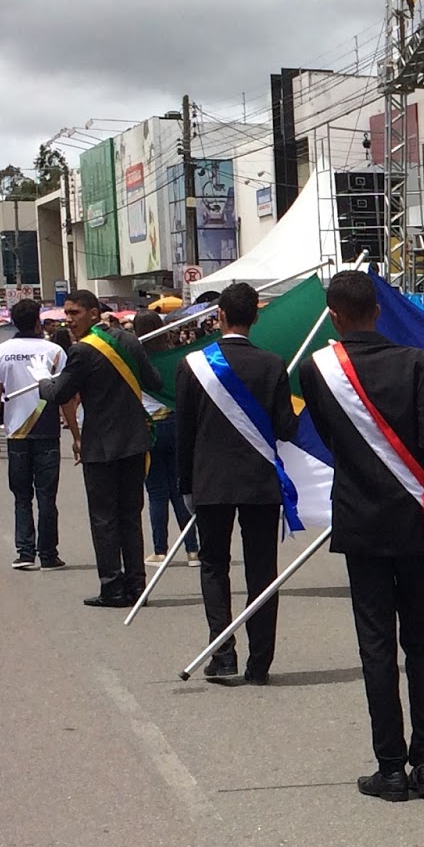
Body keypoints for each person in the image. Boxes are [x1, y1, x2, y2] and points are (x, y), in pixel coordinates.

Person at [297, 272, 424, 802]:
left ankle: (390, 766)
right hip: (415, 522)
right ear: (378, 311)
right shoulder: (419, 363)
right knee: (422, 642)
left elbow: (328, 437)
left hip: (361, 520)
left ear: (335, 315)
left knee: (376, 646)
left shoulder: (319, 371)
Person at [174, 282, 299, 685]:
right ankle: (260, 662)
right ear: (255, 318)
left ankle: (222, 652)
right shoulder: (273, 364)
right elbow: (285, 428)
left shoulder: (192, 365)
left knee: (214, 566)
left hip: (210, 481)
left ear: (220, 316)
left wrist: (185, 484)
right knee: (263, 570)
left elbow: (185, 433)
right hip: (260, 481)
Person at [38, 289, 162, 607]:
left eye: (74, 313)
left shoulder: (82, 352)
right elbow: (154, 381)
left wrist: (42, 382)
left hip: (102, 445)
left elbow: (58, 392)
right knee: (130, 516)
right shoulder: (130, 340)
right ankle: (137, 586)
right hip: (135, 439)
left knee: (105, 519)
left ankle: (113, 587)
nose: (68, 320)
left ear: (94, 313)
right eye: (66, 314)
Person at [0, 298, 80, 570]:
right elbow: (66, 399)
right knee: (47, 496)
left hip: (15, 433)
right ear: (38, 321)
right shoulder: (55, 352)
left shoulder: (1, 352)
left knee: (21, 496)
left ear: (13, 322)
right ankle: (49, 555)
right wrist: (76, 435)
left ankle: (25, 553)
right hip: (47, 431)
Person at [131, 311, 199, 568]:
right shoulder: (174, 357)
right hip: (176, 423)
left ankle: (160, 550)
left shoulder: (134, 360)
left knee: (157, 492)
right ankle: (193, 549)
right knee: (181, 489)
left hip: (149, 427)